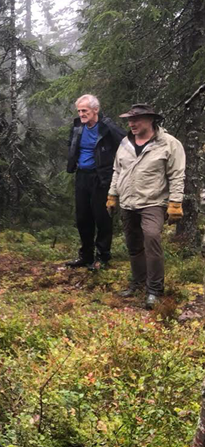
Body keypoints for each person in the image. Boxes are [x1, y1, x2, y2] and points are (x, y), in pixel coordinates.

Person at [106, 104, 185, 308]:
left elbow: (177, 175)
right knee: (133, 245)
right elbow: (117, 170)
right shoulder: (125, 143)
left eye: (136, 119)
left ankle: (154, 290)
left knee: (151, 239)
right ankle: (138, 283)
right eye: (129, 120)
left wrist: (175, 203)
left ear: (151, 120)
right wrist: (112, 195)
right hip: (128, 202)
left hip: (154, 202)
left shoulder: (169, 144)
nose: (131, 123)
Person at [66, 94, 126, 270]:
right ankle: (85, 256)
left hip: (101, 176)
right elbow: (72, 143)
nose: (81, 114)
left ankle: (102, 257)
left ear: (95, 110)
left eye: (84, 110)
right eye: (79, 110)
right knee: (83, 217)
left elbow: (124, 142)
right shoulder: (78, 126)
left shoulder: (107, 127)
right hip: (82, 175)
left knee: (102, 217)